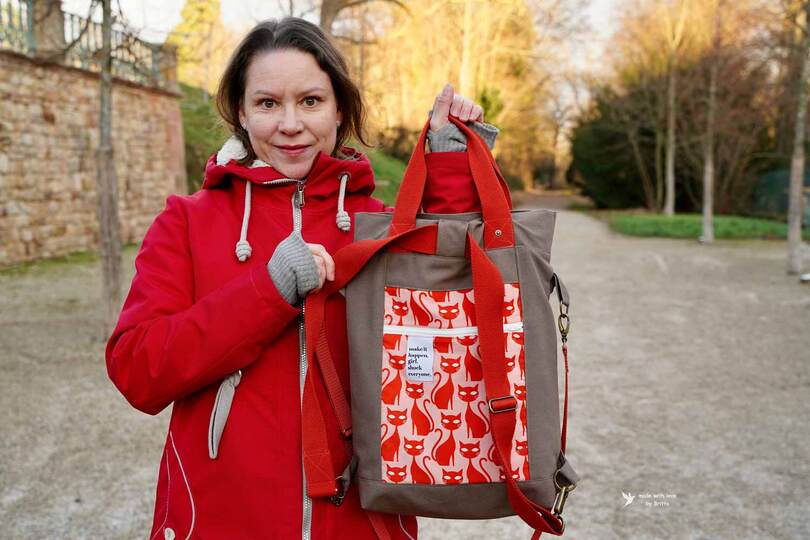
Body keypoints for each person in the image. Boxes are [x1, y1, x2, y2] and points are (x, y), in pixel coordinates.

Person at [106, 17, 499, 540]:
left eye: (310, 101)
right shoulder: (187, 220)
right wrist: (266, 293)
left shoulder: (378, 227)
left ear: (340, 109)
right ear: (241, 113)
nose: (290, 124)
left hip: (363, 522)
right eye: (268, 104)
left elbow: (451, 305)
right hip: (221, 520)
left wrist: (451, 166)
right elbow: (138, 369)